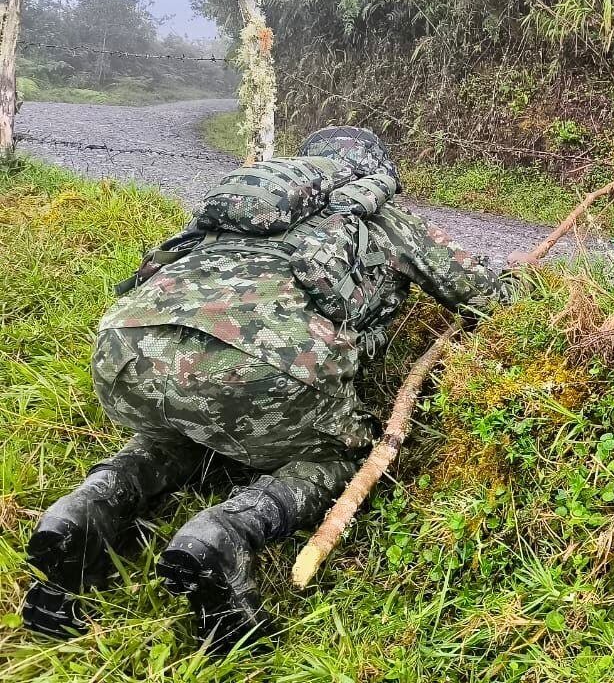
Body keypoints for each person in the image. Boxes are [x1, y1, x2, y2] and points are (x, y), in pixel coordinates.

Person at [22, 126, 506, 652]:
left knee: (178, 433)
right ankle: (227, 535)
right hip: (261, 366)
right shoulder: (379, 219)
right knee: (343, 450)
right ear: (370, 173)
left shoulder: (236, 213)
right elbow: (483, 296)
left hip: (126, 348)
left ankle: (84, 511)